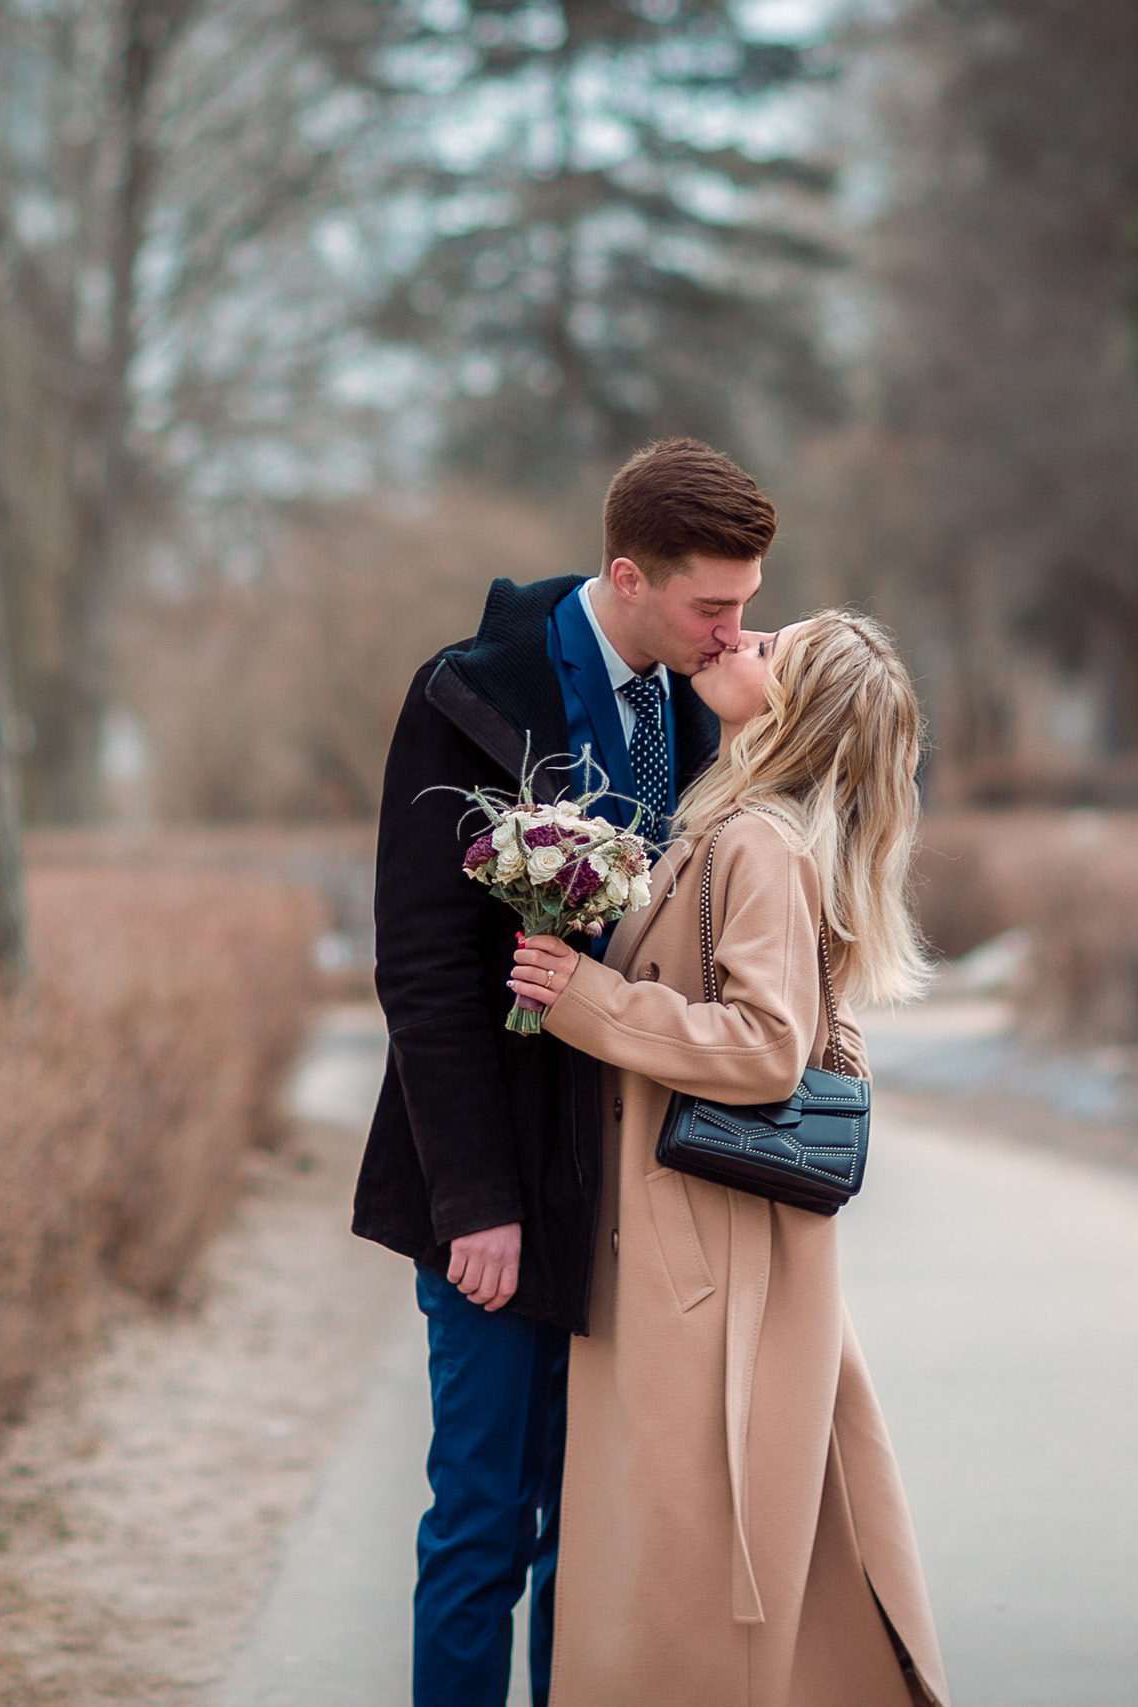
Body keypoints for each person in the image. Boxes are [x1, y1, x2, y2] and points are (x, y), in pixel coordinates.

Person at [354, 439, 778, 1706]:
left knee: (604, 1535)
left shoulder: (716, 704)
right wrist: (471, 1198)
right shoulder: (464, 696)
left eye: (747, 604)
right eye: (713, 605)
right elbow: (424, 970)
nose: (733, 630)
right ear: (628, 574)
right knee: (487, 1521)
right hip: (503, 1184)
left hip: (652, 1187)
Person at [507, 611, 950, 1707]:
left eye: (767, 648)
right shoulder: (750, 826)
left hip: (700, 1265)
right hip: (712, 1249)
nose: (734, 642)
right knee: (702, 1561)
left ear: (791, 705)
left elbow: (765, 1049)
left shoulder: (757, 842)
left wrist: (589, 999)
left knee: (682, 1573)